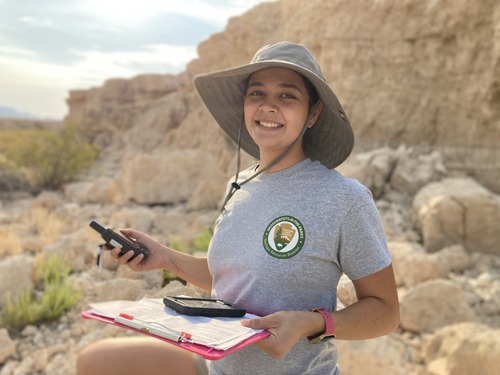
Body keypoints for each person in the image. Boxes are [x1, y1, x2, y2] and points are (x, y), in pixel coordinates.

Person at [77, 41, 399, 375]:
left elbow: (386, 312)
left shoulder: (344, 198)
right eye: (257, 93)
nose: (268, 106)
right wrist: (164, 257)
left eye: (287, 95)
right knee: (96, 361)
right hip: (217, 363)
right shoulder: (241, 184)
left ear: (313, 113)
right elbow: (235, 277)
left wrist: (310, 323)